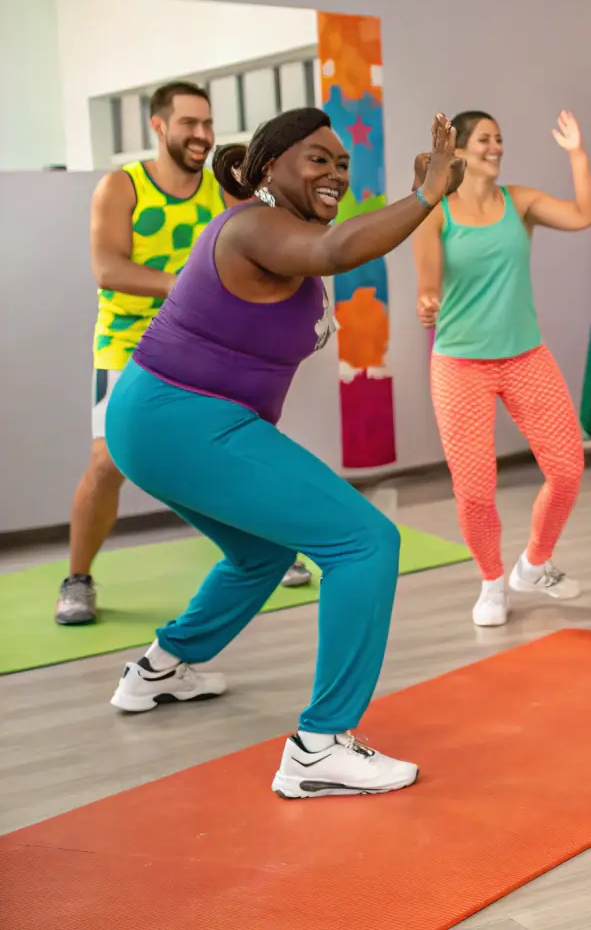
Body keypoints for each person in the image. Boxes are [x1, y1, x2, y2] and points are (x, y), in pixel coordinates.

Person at [102, 107, 466, 798]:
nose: (334, 173)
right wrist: (426, 195)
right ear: (269, 168)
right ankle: (319, 745)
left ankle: (158, 669)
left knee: (261, 554)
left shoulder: (281, 232)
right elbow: (335, 252)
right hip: (183, 418)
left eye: (341, 164)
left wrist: (419, 201)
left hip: (164, 420)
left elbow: (333, 246)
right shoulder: (254, 224)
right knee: (364, 542)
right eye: (317, 159)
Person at [56, 81, 310, 626]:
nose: (202, 135)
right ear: (158, 126)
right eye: (190, 124)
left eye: (208, 124)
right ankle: (78, 578)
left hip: (204, 341)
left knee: (239, 445)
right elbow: (108, 269)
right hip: (128, 343)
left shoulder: (222, 191)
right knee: (107, 462)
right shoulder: (123, 188)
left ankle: (265, 550)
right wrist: (188, 283)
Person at [412, 110, 591, 627]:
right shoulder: (436, 211)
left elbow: (585, 214)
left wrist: (577, 152)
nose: (496, 147)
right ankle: (492, 581)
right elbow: (427, 277)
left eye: (500, 138)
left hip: (526, 356)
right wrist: (427, 299)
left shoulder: (520, 202)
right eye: (485, 139)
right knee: (474, 488)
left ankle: (533, 564)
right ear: (461, 150)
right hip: (459, 364)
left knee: (567, 470)